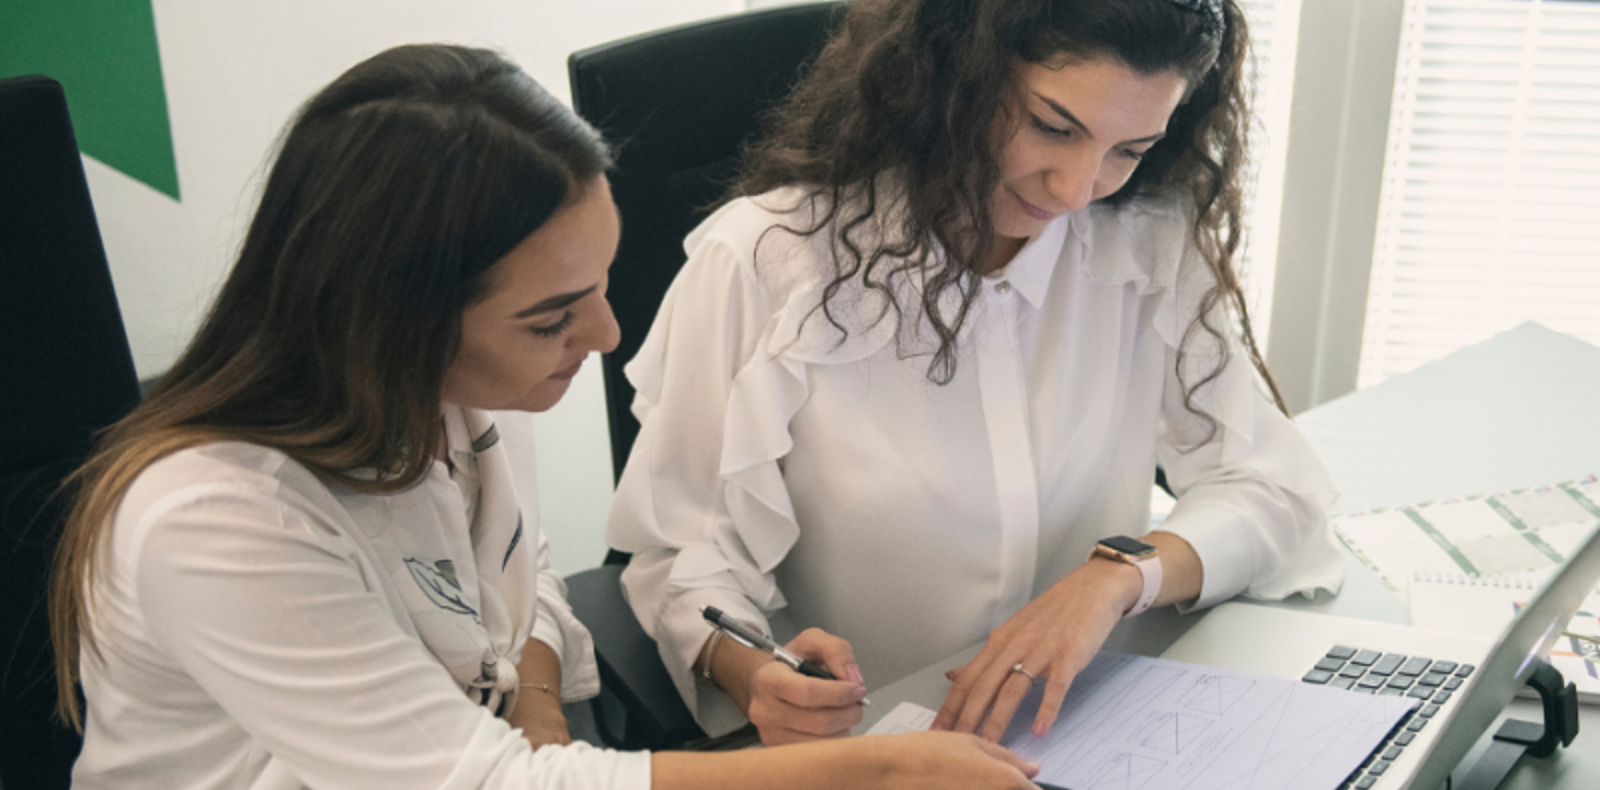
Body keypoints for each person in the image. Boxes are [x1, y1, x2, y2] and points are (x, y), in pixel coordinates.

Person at [48, 43, 1041, 790]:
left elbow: (523, 602)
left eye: (600, 284)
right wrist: (883, 768)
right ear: (394, 318)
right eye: (551, 317)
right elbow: (473, 781)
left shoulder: (465, 390)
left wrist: (542, 726)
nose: (605, 334)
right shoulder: (217, 518)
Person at [606, 0, 1345, 748]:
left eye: (1131, 149)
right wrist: (751, 671)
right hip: (873, 744)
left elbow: (1279, 490)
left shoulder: (1144, 241)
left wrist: (1117, 578)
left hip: (1085, 728)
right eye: (1054, 127)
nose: (1077, 188)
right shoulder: (768, 261)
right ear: (954, 77)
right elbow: (679, 557)